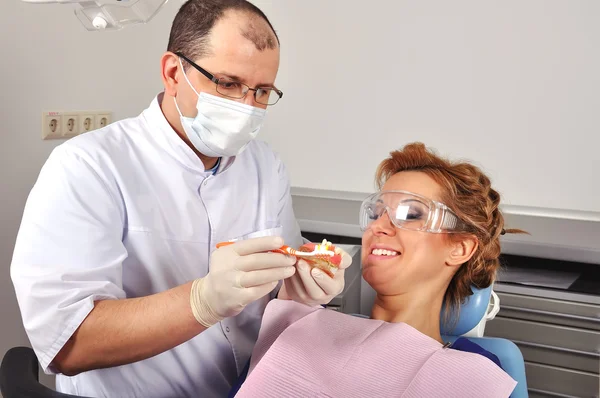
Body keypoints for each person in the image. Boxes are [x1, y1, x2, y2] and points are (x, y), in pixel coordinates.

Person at [10, 1, 350, 397]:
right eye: (227, 83)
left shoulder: (265, 168)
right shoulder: (89, 167)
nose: (246, 107)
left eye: (261, 92)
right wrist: (202, 301)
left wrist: (301, 290)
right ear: (174, 73)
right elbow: (67, 342)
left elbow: (278, 289)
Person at [231, 142, 524, 397]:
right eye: (376, 213)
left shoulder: (476, 371)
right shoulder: (299, 329)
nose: (378, 226)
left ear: (459, 248)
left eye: (410, 214)